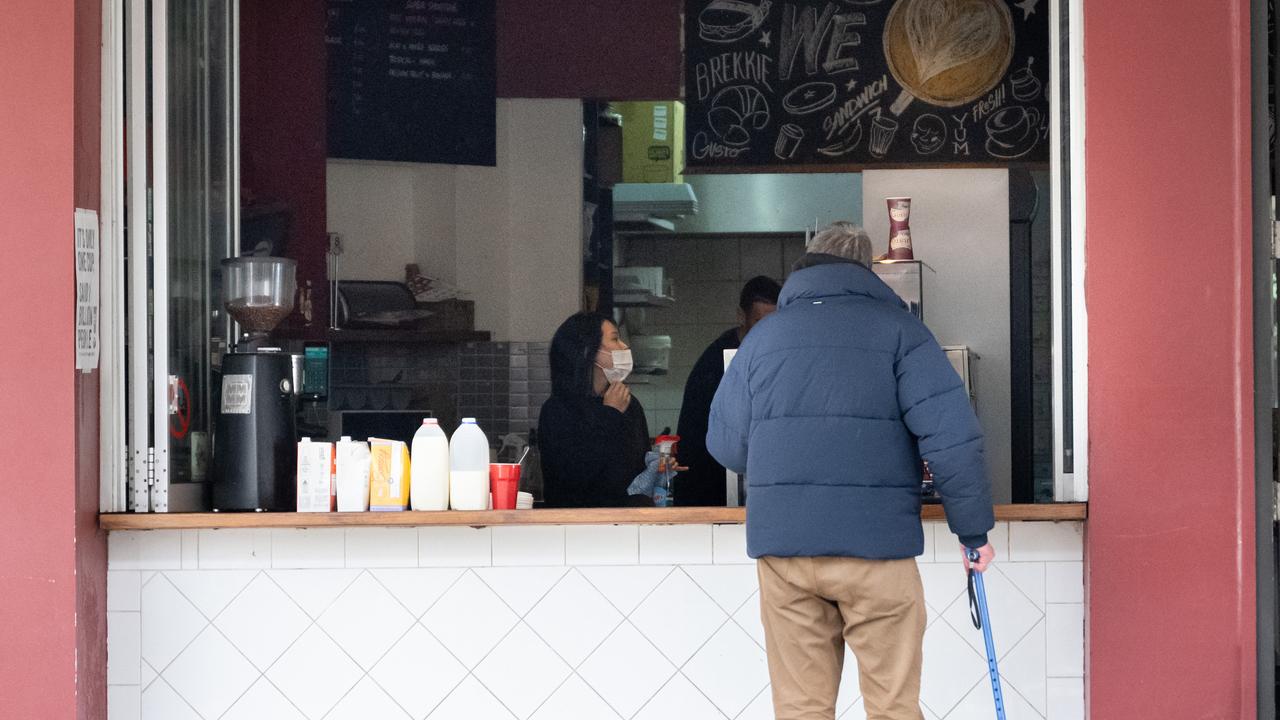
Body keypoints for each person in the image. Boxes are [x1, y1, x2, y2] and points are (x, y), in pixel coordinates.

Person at [707, 222, 996, 720]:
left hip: (787, 554)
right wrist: (973, 532)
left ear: (806, 266)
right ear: (866, 270)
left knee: (801, 711)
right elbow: (953, 440)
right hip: (877, 552)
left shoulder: (763, 338)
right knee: (892, 709)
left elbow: (727, 448)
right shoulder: (902, 331)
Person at [674, 275, 781, 506]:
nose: (766, 333)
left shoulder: (767, 357)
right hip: (708, 492)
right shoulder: (717, 365)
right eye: (759, 324)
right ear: (741, 316)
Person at [539, 313, 653, 507]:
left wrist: (658, 467)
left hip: (630, 524)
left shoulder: (629, 403)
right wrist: (610, 414)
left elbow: (637, 471)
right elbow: (574, 477)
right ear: (587, 350)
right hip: (576, 527)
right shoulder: (558, 410)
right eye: (615, 339)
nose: (625, 347)